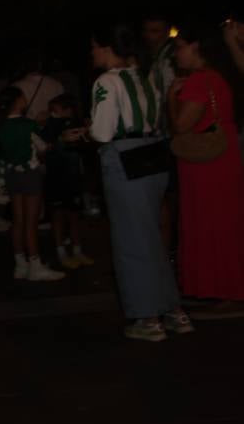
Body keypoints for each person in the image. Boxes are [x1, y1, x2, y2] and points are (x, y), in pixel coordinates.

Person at [88, 24, 192, 342]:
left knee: (132, 241)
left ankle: (147, 318)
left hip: (124, 159)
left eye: (93, 46)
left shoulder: (107, 81)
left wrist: (87, 130)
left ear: (106, 48)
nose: (91, 52)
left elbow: (103, 133)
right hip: (153, 156)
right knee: (152, 236)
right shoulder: (145, 76)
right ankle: (173, 310)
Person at [167, 23, 244, 316]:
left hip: (208, 165)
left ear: (196, 48)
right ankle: (218, 288)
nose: (177, 54)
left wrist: (170, 100)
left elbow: (180, 125)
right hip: (219, 159)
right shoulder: (218, 78)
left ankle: (222, 290)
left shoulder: (199, 81)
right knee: (220, 223)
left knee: (210, 224)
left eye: (180, 47)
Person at [0, 87, 65, 281]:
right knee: (31, 221)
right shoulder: (28, 125)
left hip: (11, 174)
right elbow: (43, 147)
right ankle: (35, 263)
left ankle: (20, 263)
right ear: (18, 102)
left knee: (18, 220)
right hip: (30, 174)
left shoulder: (0, 126)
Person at [41, 94, 94, 270]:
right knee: (57, 216)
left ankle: (78, 251)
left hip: (72, 177)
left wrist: (87, 133)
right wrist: (59, 140)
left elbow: (85, 147)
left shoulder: (75, 124)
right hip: (55, 178)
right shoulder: (48, 126)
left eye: (56, 109)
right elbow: (44, 148)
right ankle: (61, 252)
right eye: (52, 110)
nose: (53, 113)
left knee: (74, 215)